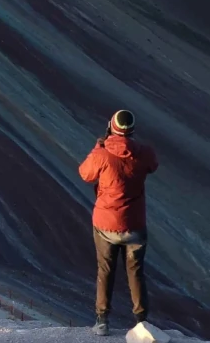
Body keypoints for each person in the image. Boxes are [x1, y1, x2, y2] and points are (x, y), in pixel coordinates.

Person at [78, 110, 158, 336]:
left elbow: (85, 174)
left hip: (105, 224)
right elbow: (153, 164)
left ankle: (102, 321)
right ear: (131, 130)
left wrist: (99, 147)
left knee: (105, 270)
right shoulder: (143, 153)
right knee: (136, 272)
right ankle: (141, 322)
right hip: (134, 224)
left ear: (110, 127)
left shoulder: (102, 154)